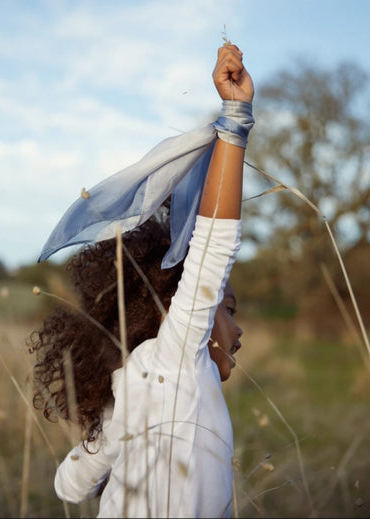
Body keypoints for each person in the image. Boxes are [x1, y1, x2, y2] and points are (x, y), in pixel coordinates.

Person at [28, 43, 254, 518]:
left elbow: (68, 485)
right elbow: (214, 247)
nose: (238, 332)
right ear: (175, 310)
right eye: (227, 309)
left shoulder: (133, 392)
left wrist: (120, 452)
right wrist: (236, 118)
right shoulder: (175, 360)